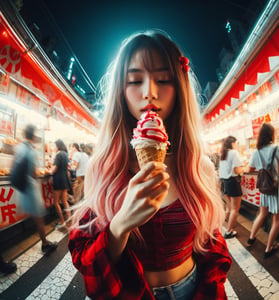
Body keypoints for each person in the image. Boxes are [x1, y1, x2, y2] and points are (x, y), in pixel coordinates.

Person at [68, 30, 232, 299]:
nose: (149, 93)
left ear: (179, 88)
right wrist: (119, 226)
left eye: (163, 79)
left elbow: (211, 244)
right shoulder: (104, 167)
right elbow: (85, 259)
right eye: (135, 80)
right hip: (131, 291)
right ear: (121, 90)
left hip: (193, 289)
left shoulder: (197, 165)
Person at [247, 123, 279, 258]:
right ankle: (268, 249)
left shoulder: (257, 151)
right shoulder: (277, 148)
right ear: (272, 135)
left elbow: (250, 170)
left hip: (264, 188)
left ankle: (251, 238)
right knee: (276, 220)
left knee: (262, 213)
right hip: (275, 188)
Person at [12, 124, 57, 254]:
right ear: (33, 135)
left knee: (34, 216)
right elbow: (34, 173)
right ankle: (45, 243)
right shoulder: (31, 150)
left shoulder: (19, 147)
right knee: (39, 218)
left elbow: (13, 165)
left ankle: (40, 240)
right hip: (30, 188)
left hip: (21, 189)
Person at [219, 136, 244, 239]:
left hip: (225, 182)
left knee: (230, 208)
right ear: (233, 143)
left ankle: (225, 225)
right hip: (233, 182)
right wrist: (244, 169)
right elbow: (237, 170)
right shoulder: (234, 153)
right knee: (235, 209)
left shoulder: (223, 154)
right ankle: (228, 232)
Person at [51, 139, 72, 229]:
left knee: (56, 202)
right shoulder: (65, 154)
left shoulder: (59, 154)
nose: (54, 147)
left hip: (58, 180)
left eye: (54, 146)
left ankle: (62, 222)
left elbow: (55, 168)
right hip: (65, 180)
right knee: (65, 201)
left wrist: (50, 171)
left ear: (58, 146)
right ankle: (69, 221)